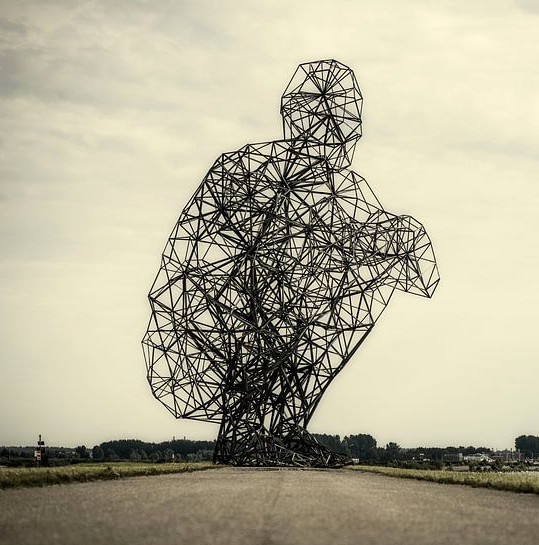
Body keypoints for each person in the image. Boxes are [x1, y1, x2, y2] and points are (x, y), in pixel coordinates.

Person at [143, 59, 439, 466]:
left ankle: (286, 427)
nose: (328, 127)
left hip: (271, 329)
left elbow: (359, 251)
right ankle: (247, 430)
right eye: (323, 115)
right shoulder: (244, 171)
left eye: (336, 119)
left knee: (371, 270)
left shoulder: (347, 191)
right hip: (220, 330)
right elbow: (194, 263)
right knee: (277, 306)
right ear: (293, 113)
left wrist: (402, 245)